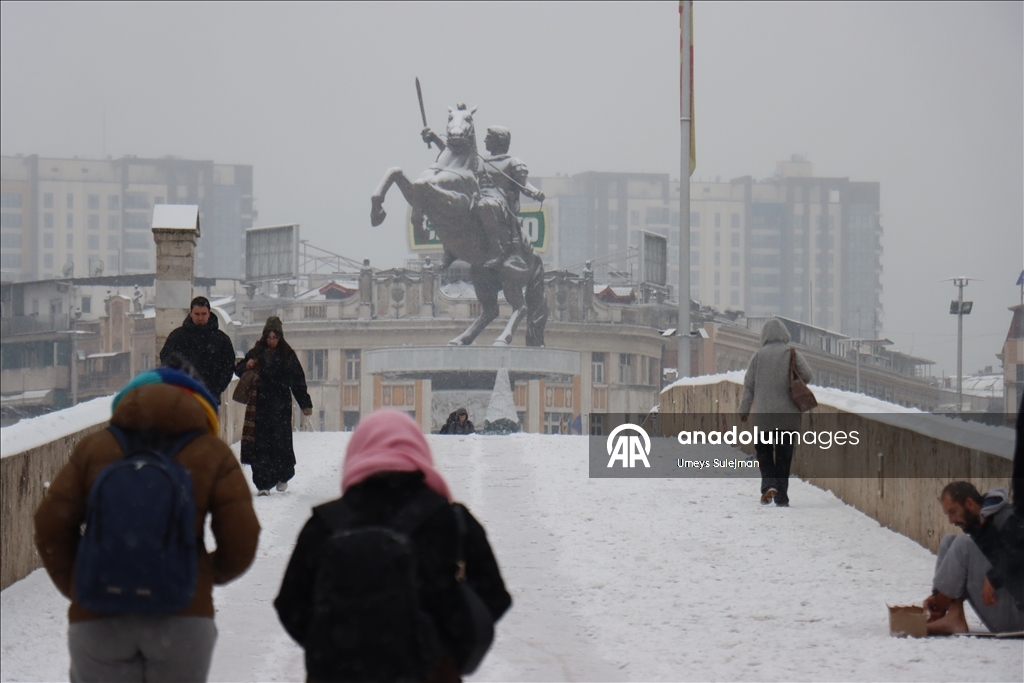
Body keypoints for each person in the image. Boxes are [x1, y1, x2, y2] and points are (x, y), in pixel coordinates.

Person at [33, 360, 260, 682]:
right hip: (182, 617)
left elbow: (50, 525)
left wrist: (80, 583)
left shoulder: (95, 447)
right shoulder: (212, 452)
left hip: (99, 615)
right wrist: (199, 575)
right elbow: (242, 537)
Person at [274, 410, 511, 682]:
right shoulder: (450, 520)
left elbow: (290, 602)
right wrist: (446, 645)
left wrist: (331, 644)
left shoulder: (326, 523)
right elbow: (494, 596)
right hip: (429, 673)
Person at [923, 481, 1024, 634]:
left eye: (953, 512)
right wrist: (938, 593)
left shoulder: (1008, 519)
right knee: (950, 541)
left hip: (1019, 615)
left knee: (963, 546)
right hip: (1009, 606)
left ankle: (939, 608)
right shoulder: (981, 523)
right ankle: (951, 615)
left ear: (969, 503)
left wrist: (994, 577)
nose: (950, 520)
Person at [738, 317, 813, 507]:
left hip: (764, 417)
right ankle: (782, 497)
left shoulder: (758, 356)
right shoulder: (791, 354)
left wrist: (744, 410)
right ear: (784, 335)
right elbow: (808, 375)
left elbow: (749, 386)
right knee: (783, 456)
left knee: (763, 452)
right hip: (788, 417)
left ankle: (768, 485)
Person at [235, 316, 313, 495]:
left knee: (281, 442)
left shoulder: (288, 355)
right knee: (260, 445)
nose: (272, 341)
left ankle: (282, 476)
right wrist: (247, 365)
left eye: (275, 337)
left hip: (281, 406)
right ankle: (262, 483)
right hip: (260, 406)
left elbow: (298, 380)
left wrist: (305, 404)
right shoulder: (256, 352)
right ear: (264, 337)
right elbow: (238, 369)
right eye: (269, 337)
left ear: (280, 337)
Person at [159, 296, 237, 400]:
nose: (200, 318)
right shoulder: (177, 337)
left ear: (209, 313)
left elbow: (228, 366)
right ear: (191, 313)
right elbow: (166, 360)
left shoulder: (221, 340)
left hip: (210, 396)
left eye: (204, 314)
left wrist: (216, 388)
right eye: (197, 314)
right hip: (182, 395)